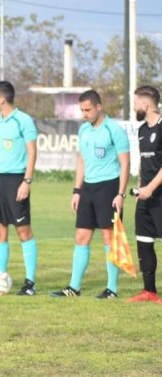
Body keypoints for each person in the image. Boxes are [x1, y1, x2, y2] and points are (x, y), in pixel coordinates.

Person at [51, 89, 130, 299]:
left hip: (109, 187)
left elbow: (125, 163)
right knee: (81, 236)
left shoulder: (114, 129)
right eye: (82, 110)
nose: (84, 114)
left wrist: (121, 194)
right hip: (88, 188)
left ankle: (112, 289)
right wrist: (77, 190)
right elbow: (81, 160)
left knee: (108, 237)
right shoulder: (84, 130)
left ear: (98, 106)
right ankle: (73, 288)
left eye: (87, 110)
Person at [0, 80, 39, 295]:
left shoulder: (23, 121)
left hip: (16, 181)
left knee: (23, 231)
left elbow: (32, 152)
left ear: (2, 98)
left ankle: (30, 283)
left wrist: (27, 181)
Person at [129, 85, 162, 302]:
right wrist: (142, 187)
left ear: (145, 104)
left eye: (135, 103)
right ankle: (149, 291)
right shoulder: (142, 130)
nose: (133, 107)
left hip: (159, 195)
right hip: (146, 195)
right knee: (143, 241)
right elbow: (144, 163)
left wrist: (151, 188)